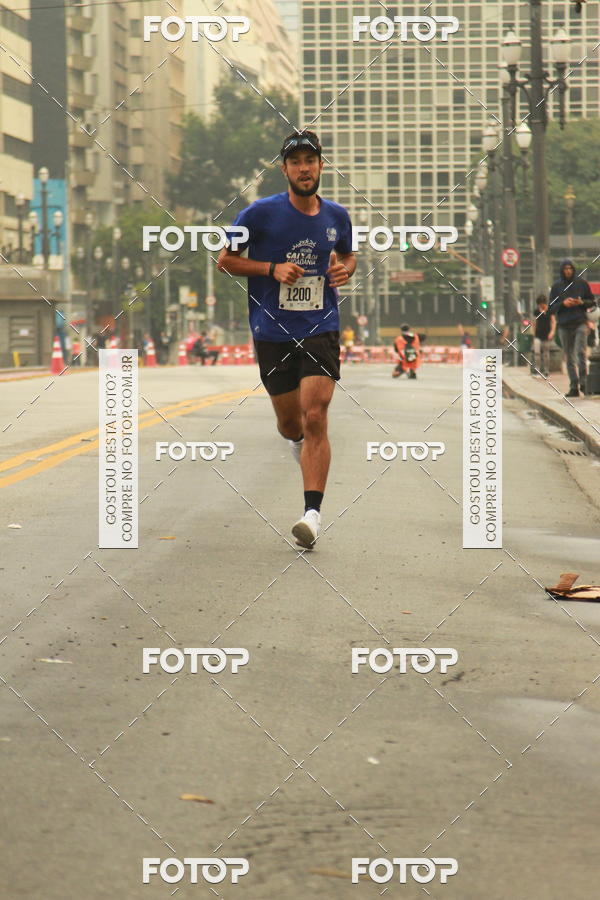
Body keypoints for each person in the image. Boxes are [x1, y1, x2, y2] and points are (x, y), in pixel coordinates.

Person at [217, 130, 355, 548]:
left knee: (316, 415)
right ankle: (298, 444)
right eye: (295, 162)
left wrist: (344, 269)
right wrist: (271, 269)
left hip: (321, 326)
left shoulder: (337, 217)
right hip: (272, 331)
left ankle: (312, 515)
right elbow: (225, 261)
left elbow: (348, 255)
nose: (304, 168)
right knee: (290, 423)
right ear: (285, 170)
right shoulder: (258, 215)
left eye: (310, 161)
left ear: (321, 166)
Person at [549, 258, 596, 397]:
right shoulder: (556, 286)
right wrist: (563, 304)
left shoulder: (582, 283)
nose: (568, 271)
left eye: (570, 268)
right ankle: (574, 386)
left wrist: (581, 302)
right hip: (564, 325)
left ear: (573, 269)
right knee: (569, 357)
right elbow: (551, 308)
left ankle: (584, 383)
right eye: (565, 269)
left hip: (580, 323)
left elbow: (592, 302)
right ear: (562, 270)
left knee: (580, 353)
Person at [532, 294, 556, 377]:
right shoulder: (536, 311)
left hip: (547, 334)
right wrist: (533, 334)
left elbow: (553, 322)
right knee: (537, 353)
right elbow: (534, 323)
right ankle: (537, 369)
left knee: (546, 353)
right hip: (538, 334)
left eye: (542, 304)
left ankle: (546, 370)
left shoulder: (550, 311)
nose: (541, 306)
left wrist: (552, 332)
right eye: (539, 304)